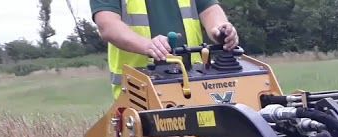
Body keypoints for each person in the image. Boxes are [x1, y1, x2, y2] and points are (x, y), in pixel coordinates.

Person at [92, 0, 240, 96]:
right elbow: (107, 25)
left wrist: (220, 29)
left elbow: (210, 10)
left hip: (196, 86)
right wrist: (147, 45)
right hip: (138, 93)